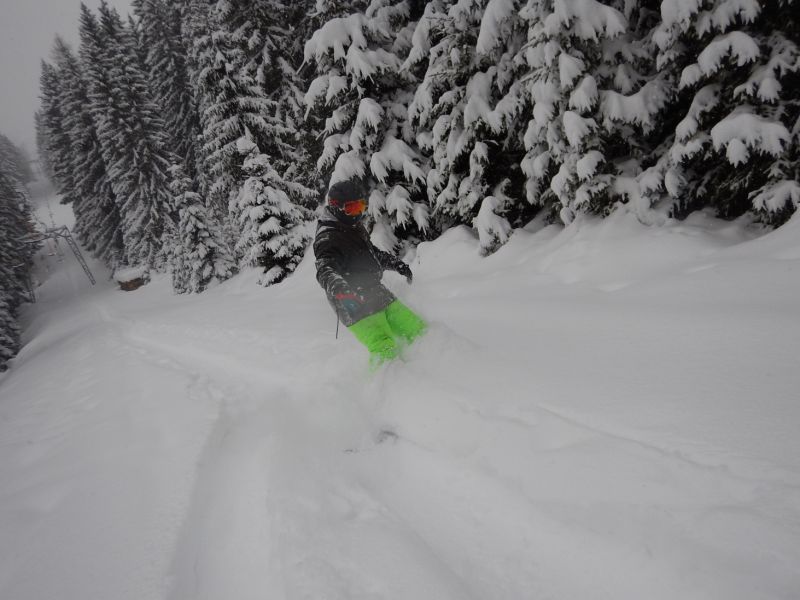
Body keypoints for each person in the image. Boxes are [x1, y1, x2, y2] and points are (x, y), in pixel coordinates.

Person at [314, 179, 426, 366]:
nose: (357, 213)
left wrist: (396, 264)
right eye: (352, 208)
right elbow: (324, 268)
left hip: (375, 290)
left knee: (416, 329)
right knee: (384, 348)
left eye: (360, 207)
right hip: (351, 300)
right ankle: (386, 382)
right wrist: (339, 288)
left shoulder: (353, 226)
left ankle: (432, 365)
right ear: (336, 207)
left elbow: (369, 253)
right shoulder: (327, 237)